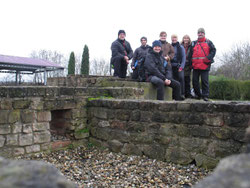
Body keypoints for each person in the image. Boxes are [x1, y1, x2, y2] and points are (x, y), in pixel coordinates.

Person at [189, 28, 216, 101]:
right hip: (195, 66)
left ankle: (205, 95)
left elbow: (213, 51)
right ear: (197, 34)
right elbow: (190, 54)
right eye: (199, 33)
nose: (200, 34)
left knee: (205, 81)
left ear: (204, 34)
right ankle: (198, 95)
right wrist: (190, 64)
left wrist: (208, 58)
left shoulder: (209, 42)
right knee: (195, 82)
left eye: (202, 33)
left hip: (205, 66)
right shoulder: (193, 43)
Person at [171, 34, 186, 99]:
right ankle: (174, 95)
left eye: (175, 38)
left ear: (177, 39)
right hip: (171, 66)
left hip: (179, 66)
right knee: (172, 80)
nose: (174, 39)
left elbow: (184, 57)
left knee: (181, 78)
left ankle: (182, 94)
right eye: (173, 38)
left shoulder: (181, 47)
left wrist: (181, 67)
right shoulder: (170, 46)